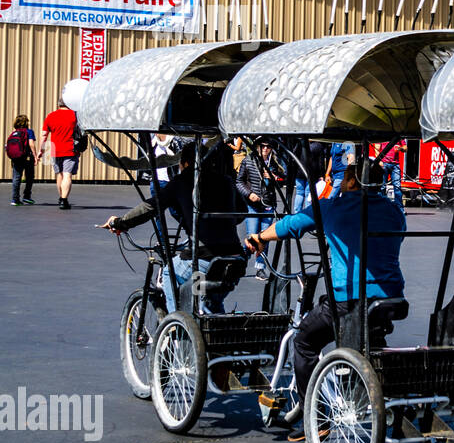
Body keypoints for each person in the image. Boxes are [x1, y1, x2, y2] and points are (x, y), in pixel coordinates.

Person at [246, 162, 406, 442]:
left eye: (345, 179)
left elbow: (291, 224)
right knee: (372, 340)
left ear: (354, 182)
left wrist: (259, 237)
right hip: (391, 296)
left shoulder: (333, 208)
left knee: (304, 341)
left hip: (350, 299)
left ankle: (316, 416)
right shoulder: (394, 211)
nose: (340, 182)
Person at [99, 141, 245, 314]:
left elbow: (151, 207)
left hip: (205, 259)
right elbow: (241, 212)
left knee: (169, 272)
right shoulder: (225, 180)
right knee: (210, 304)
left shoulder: (182, 181)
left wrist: (121, 222)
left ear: (184, 163)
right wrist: (217, 225)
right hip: (235, 261)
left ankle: (174, 325)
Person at [237, 139, 280, 278]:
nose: (265, 149)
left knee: (264, 237)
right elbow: (239, 181)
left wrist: (274, 178)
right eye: (263, 146)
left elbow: (284, 179)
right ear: (258, 147)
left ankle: (260, 267)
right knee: (252, 236)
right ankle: (242, 261)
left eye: (268, 147)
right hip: (253, 205)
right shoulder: (248, 160)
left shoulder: (274, 163)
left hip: (268, 204)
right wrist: (249, 194)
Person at [38, 96, 79, 209]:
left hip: (55, 150)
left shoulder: (51, 116)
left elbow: (44, 135)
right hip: (70, 149)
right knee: (67, 175)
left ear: (58, 104)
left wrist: (40, 150)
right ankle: (64, 200)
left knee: (59, 174)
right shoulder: (75, 115)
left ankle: (61, 197)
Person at [8, 114, 36, 206]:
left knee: (16, 178)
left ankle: (15, 199)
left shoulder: (14, 133)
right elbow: (31, 144)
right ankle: (27, 197)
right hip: (27, 158)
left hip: (16, 158)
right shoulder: (29, 132)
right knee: (29, 177)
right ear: (26, 122)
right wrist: (35, 156)